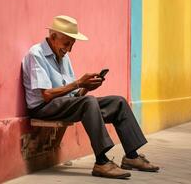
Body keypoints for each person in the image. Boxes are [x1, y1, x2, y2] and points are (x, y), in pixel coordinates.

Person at [22, 15, 159, 179]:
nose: (69, 49)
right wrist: (79, 83)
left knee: (118, 102)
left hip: (64, 104)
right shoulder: (36, 54)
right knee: (89, 102)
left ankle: (131, 156)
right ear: (53, 37)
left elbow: (75, 96)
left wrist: (86, 87)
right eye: (67, 43)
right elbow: (46, 95)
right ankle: (101, 162)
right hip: (43, 108)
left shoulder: (64, 57)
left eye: (72, 44)